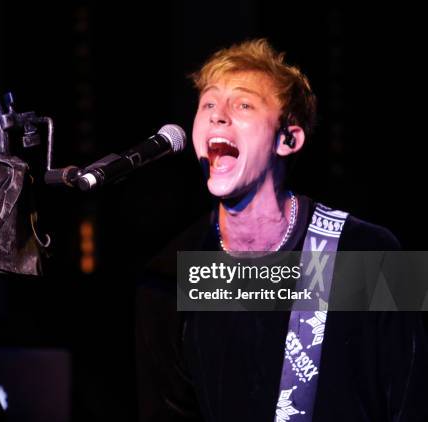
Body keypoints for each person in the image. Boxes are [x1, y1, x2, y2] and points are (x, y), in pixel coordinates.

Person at [136, 39, 428, 421]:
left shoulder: (370, 252)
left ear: (288, 139)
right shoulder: (170, 275)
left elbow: (413, 401)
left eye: (242, 104)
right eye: (208, 103)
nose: (217, 116)